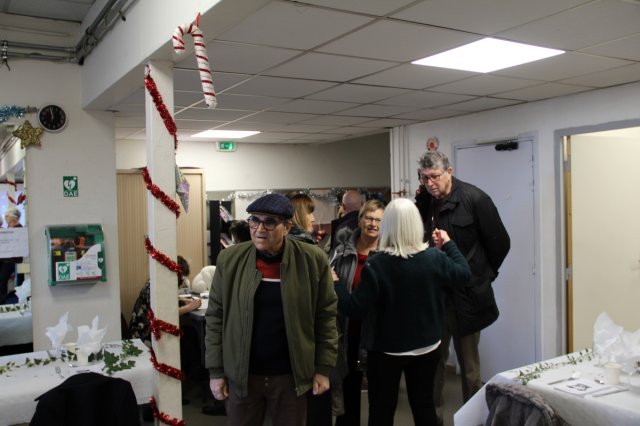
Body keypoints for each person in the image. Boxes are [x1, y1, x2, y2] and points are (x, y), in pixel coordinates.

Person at [334, 198, 471, 426]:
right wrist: (448, 244)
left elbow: (353, 307)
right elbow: (464, 274)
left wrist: (336, 283)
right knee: (424, 406)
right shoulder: (434, 258)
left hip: (385, 351)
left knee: (382, 411)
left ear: (387, 225)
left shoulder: (377, 264)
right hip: (427, 347)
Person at [205, 193, 338, 426]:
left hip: (291, 377)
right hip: (243, 375)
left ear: (287, 227)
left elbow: (326, 317)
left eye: (269, 222)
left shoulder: (312, 260)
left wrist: (323, 368)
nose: (259, 229)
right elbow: (216, 317)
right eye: (254, 220)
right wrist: (216, 371)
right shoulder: (230, 260)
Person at [414, 151, 510, 423]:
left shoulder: (475, 199)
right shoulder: (424, 201)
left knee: (469, 368)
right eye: (424, 178)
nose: (430, 183)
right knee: (434, 363)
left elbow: (500, 243)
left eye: (435, 176)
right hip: (435, 296)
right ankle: (434, 419)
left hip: (467, 296)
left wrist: (480, 278)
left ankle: (472, 420)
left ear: (449, 171)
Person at [330, 199, 385, 426]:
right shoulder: (340, 252)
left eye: (378, 220)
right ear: (360, 220)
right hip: (347, 333)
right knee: (348, 390)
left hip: (377, 336)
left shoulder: (388, 254)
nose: (373, 224)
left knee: (380, 396)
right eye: (369, 218)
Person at [129, 255, 201, 346]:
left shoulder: (158, 281)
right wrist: (189, 307)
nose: (180, 282)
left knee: (190, 331)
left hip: (147, 328)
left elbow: (166, 300)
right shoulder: (156, 286)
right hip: (144, 334)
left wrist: (182, 300)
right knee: (190, 334)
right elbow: (166, 314)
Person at [0, 207, 24, 300]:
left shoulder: (18, 228)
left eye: (7, 216)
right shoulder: (9, 227)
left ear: (13, 217)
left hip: (12, 260)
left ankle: (2, 300)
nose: (5, 218)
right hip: (6, 259)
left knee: (2, 279)